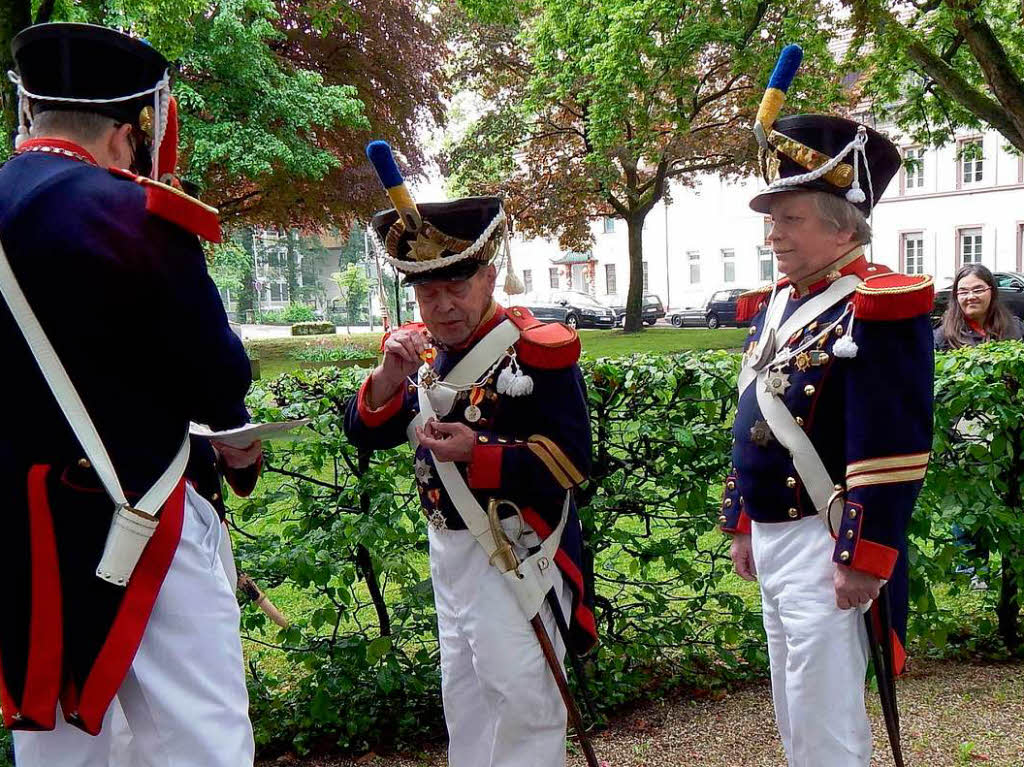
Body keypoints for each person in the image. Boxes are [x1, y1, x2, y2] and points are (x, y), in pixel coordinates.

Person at [0, 22, 260, 766]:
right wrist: (238, 443)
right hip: (140, 519)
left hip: (20, 535)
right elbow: (217, 376)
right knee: (198, 739)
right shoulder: (137, 215)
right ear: (132, 131)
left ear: (30, 113)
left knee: (54, 749)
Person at [343, 187, 597, 766]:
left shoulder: (535, 352)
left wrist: (478, 454)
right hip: (449, 552)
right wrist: (387, 376)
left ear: (489, 276)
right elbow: (366, 431)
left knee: (522, 700)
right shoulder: (425, 351)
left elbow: (571, 462)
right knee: (465, 701)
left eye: (456, 287)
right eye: (428, 292)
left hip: (516, 548)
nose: (442, 306)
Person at [719, 99, 935, 763]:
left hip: (827, 537)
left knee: (826, 711)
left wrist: (864, 557)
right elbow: (755, 416)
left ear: (844, 228)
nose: (773, 235)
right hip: (777, 529)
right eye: (773, 219)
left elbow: (892, 447)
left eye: (790, 219)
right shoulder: (783, 299)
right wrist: (742, 520)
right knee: (792, 701)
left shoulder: (879, 306)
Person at [934, 263, 1024, 350]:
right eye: (963, 292)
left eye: (978, 290)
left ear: (992, 292)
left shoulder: (1015, 327)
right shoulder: (943, 336)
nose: (971, 296)